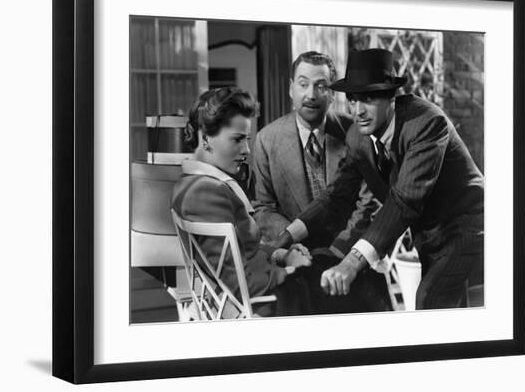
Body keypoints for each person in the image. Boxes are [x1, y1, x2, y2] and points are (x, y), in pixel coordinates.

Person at [274, 48, 484, 310]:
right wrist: (287, 235)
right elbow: (337, 196)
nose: (358, 110)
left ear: (391, 97)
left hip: (468, 227)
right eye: (352, 100)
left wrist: (351, 262)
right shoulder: (357, 137)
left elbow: (404, 201)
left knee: (430, 301)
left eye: (369, 98)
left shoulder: (427, 122)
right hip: (428, 236)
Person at [253, 51, 392, 313]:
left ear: (332, 92)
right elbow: (263, 208)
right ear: (291, 88)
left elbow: (368, 201)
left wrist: (340, 252)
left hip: (346, 250)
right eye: (303, 84)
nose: (312, 95)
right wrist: (292, 246)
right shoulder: (266, 140)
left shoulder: (356, 130)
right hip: (294, 256)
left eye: (321, 86)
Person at [171, 87, 313, 317]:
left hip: (266, 288)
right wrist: (290, 270)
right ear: (205, 138)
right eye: (237, 139)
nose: (246, 149)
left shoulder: (194, 183)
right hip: (268, 306)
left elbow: (244, 250)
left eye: (246, 139)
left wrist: (280, 254)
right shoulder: (204, 193)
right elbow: (241, 285)